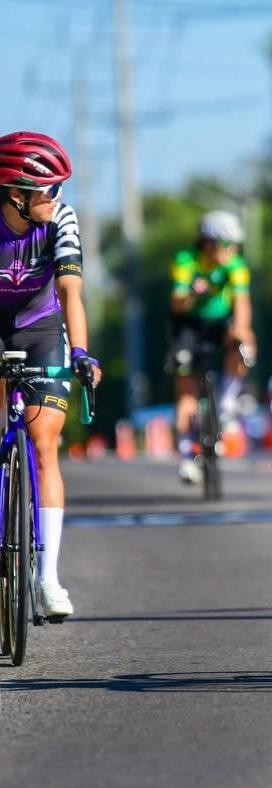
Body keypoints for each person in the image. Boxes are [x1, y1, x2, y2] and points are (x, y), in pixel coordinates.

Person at [0, 131, 102, 618]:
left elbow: (70, 292)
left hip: (39, 327)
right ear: (15, 193)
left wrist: (81, 351)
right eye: (47, 189)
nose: (57, 197)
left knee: (44, 442)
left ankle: (47, 578)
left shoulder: (61, 218)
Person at [169, 211, 255, 484]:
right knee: (186, 391)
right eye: (227, 245)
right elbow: (177, 303)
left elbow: (242, 304)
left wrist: (242, 333)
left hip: (220, 322)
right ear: (209, 243)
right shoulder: (186, 260)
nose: (232, 251)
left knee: (242, 341)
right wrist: (193, 292)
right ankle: (186, 455)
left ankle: (228, 403)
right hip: (188, 324)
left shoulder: (235, 265)